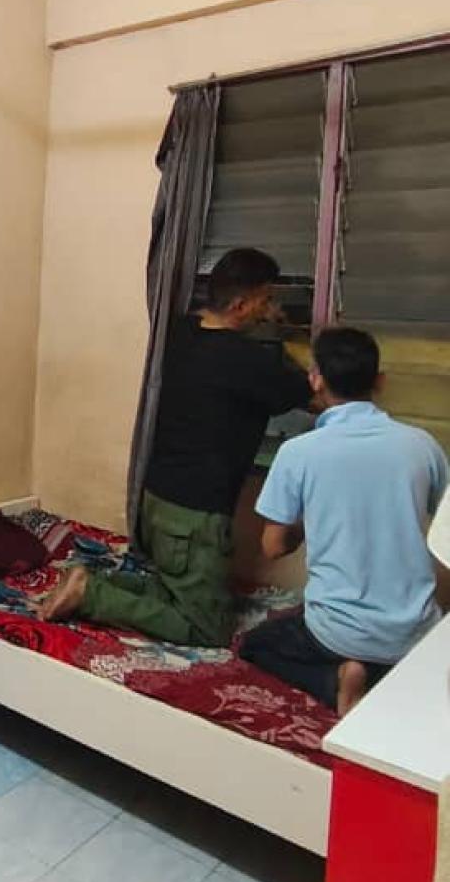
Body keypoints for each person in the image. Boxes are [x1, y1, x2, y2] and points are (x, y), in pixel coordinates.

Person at [41, 247, 311, 646]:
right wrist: (299, 340)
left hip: (155, 500)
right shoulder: (246, 361)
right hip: (193, 518)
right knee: (208, 629)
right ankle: (93, 594)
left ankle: (93, 579)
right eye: (265, 300)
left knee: (177, 589)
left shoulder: (180, 333)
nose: (270, 309)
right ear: (239, 305)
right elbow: (312, 391)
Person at [241, 326, 448, 716]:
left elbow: (274, 546)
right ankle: (391, 674)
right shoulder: (422, 446)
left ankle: (334, 680)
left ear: (315, 379)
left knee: (256, 645)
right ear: (380, 381)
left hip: (336, 633)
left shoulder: (298, 453)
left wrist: (311, 520)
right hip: (414, 629)